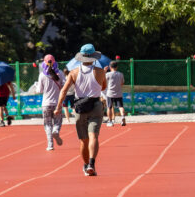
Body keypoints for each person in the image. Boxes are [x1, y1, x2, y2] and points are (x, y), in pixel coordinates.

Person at [55, 44, 107, 176]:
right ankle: (91, 163)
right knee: (94, 136)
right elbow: (103, 87)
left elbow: (64, 90)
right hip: (96, 105)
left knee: (83, 140)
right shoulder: (100, 72)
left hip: (80, 107)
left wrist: (58, 107)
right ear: (94, 57)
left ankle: (85, 166)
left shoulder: (73, 73)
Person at [36, 54, 65, 150]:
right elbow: (64, 86)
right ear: (55, 62)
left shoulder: (42, 75)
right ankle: (56, 131)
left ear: (44, 63)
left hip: (46, 104)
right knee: (58, 121)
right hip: (57, 103)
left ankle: (50, 145)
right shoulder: (60, 73)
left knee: (47, 124)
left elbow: (39, 90)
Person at [105, 61, 127, 127]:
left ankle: (110, 121)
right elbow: (122, 83)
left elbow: (103, 81)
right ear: (117, 67)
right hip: (118, 93)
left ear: (110, 67)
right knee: (121, 106)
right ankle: (123, 116)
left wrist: (104, 71)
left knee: (109, 107)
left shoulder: (108, 74)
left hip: (110, 93)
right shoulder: (121, 74)